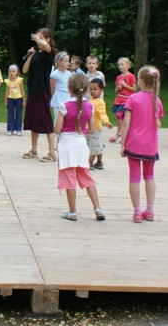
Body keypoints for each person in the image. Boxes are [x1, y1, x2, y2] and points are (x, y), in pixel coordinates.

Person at [55, 74, 105, 222]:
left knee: (69, 178)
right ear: (86, 89)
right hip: (81, 144)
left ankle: (72, 212)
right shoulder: (89, 106)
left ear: (69, 88)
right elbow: (91, 130)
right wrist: (81, 130)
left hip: (66, 145)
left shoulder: (64, 106)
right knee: (86, 176)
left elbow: (57, 129)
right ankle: (98, 208)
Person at [120, 65, 163, 223]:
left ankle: (137, 212)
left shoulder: (133, 98)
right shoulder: (157, 101)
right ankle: (150, 211)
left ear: (141, 82)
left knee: (134, 177)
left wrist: (122, 144)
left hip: (133, 144)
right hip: (150, 146)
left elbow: (126, 123)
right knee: (149, 176)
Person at [22, 29, 57, 162]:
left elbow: (47, 47)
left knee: (46, 120)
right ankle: (34, 150)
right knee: (33, 120)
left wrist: (38, 39)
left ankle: (52, 153)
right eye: (37, 38)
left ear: (48, 39)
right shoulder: (36, 54)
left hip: (43, 90)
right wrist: (30, 55)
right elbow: (25, 70)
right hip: (33, 90)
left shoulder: (49, 53)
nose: (38, 40)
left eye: (41, 38)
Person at [87, 78, 113, 170]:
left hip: (95, 128)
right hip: (89, 127)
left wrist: (106, 122)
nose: (92, 91)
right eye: (91, 89)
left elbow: (102, 114)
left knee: (93, 146)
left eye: (95, 89)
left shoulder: (100, 102)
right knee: (96, 144)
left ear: (101, 90)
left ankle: (89, 163)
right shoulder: (90, 100)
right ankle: (99, 162)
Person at [110, 57, 136, 143]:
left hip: (127, 100)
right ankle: (120, 133)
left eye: (122, 64)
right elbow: (116, 91)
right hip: (119, 99)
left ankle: (121, 134)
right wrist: (118, 88)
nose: (120, 66)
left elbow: (134, 89)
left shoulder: (131, 76)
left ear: (128, 65)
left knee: (120, 116)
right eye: (119, 65)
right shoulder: (118, 77)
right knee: (119, 116)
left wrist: (125, 85)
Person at [49, 51, 72, 121]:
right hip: (57, 99)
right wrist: (50, 99)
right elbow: (51, 88)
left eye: (68, 61)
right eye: (65, 61)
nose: (68, 63)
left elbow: (70, 87)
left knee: (67, 118)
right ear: (59, 62)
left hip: (67, 98)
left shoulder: (69, 74)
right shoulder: (54, 74)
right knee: (58, 119)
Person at [4, 64, 25, 135]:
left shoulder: (20, 80)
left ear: (17, 72)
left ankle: (18, 129)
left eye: (13, 71)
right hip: (10, 99)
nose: (11, 73)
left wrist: (23, 101)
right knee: (10, 114)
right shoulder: (7, 81)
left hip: (19, 99)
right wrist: (6, 101)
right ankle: (10, 129)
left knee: (19, 114)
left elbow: (22, 90)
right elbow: (6, 92)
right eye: (10, 71)